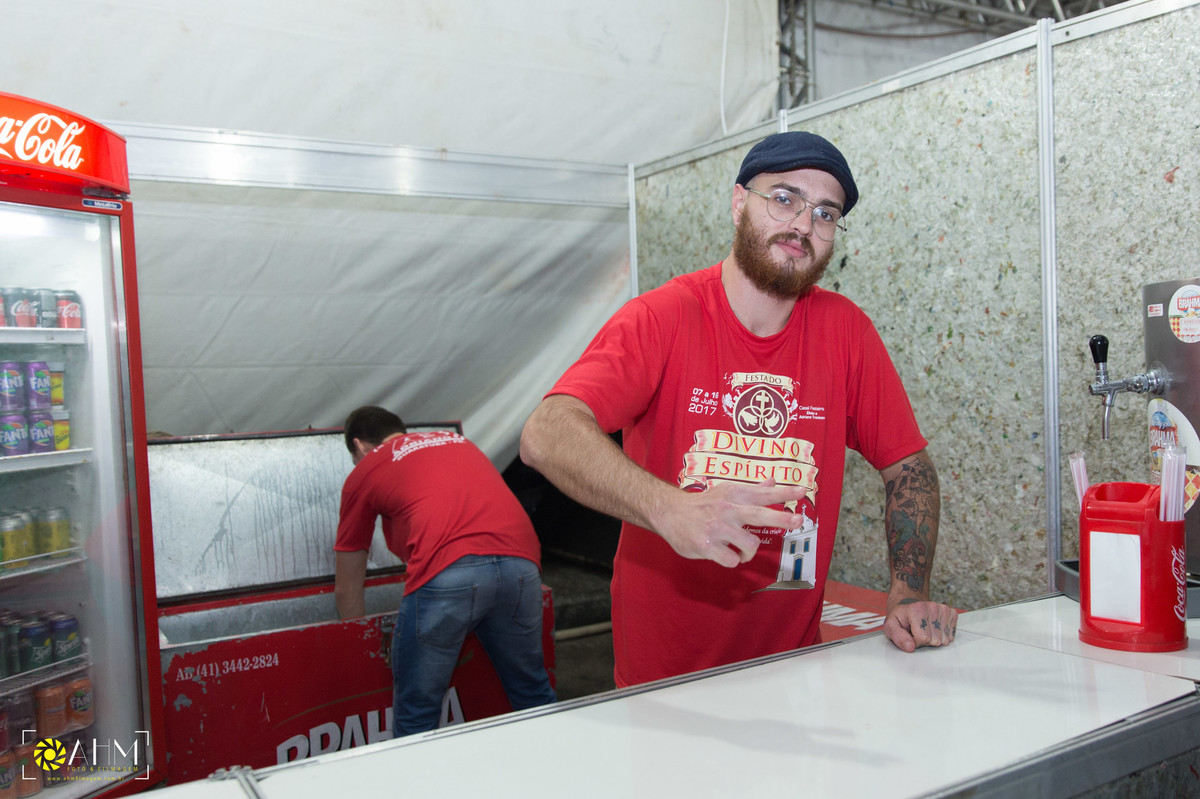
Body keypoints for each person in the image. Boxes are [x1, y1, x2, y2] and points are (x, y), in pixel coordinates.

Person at [520, 131, 957, 688]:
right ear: (738, 203)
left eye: (826, 213)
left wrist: (908, 592)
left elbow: (909, 467)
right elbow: (546, 432)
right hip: (664, 683)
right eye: (785, 198)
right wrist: (667, 507)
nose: (803, 224)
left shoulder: (846, 332)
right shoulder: (663, 318)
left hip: (792, 674)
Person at [334, 406, 556, 736]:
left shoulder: (367, 468)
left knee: (417, 713)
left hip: (449, 572)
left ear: (360, 446)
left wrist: (355, 648)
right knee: (532, 692)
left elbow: (348, 583)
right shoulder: (456, 442)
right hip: (521, 565)